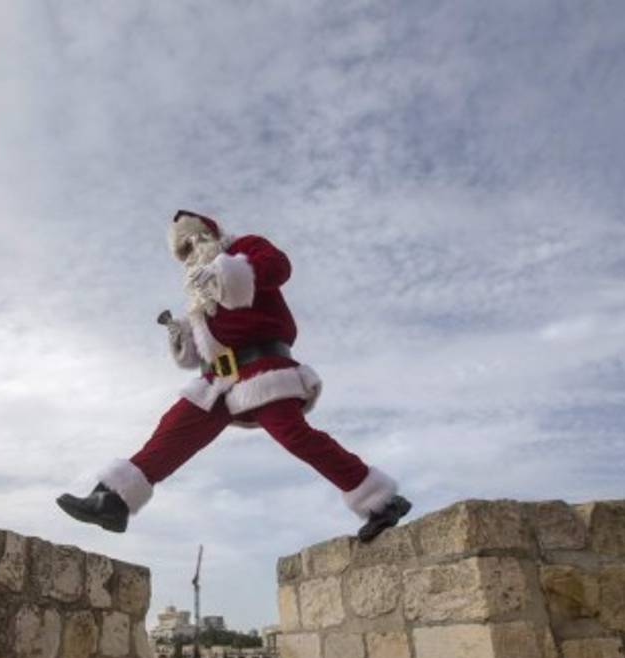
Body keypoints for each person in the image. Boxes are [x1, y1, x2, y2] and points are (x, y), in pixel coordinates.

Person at [57, 210, 410, 542]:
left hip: (262, 368)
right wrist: (184, 336)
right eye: (183, 250)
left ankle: (380, 501)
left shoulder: (244, 248)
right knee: (173, 431)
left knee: (294, 435)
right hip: (221, 378)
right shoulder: (200, 293)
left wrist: (228, 271)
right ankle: (111, 500)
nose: (190, 251)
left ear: (209, 234)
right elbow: (208, 347)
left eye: (194, 241)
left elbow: (279, 267)